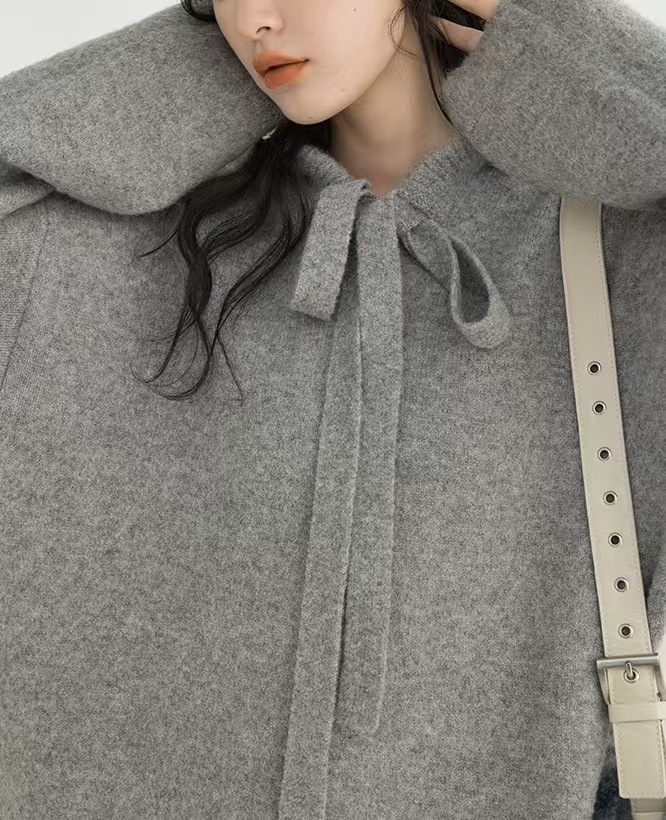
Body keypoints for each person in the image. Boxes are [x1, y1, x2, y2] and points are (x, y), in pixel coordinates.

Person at [0, 0, 664, 817]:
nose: (254, 19)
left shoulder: (616, 247)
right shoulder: (94, 237)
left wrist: (541, 35)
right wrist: (208, 67)